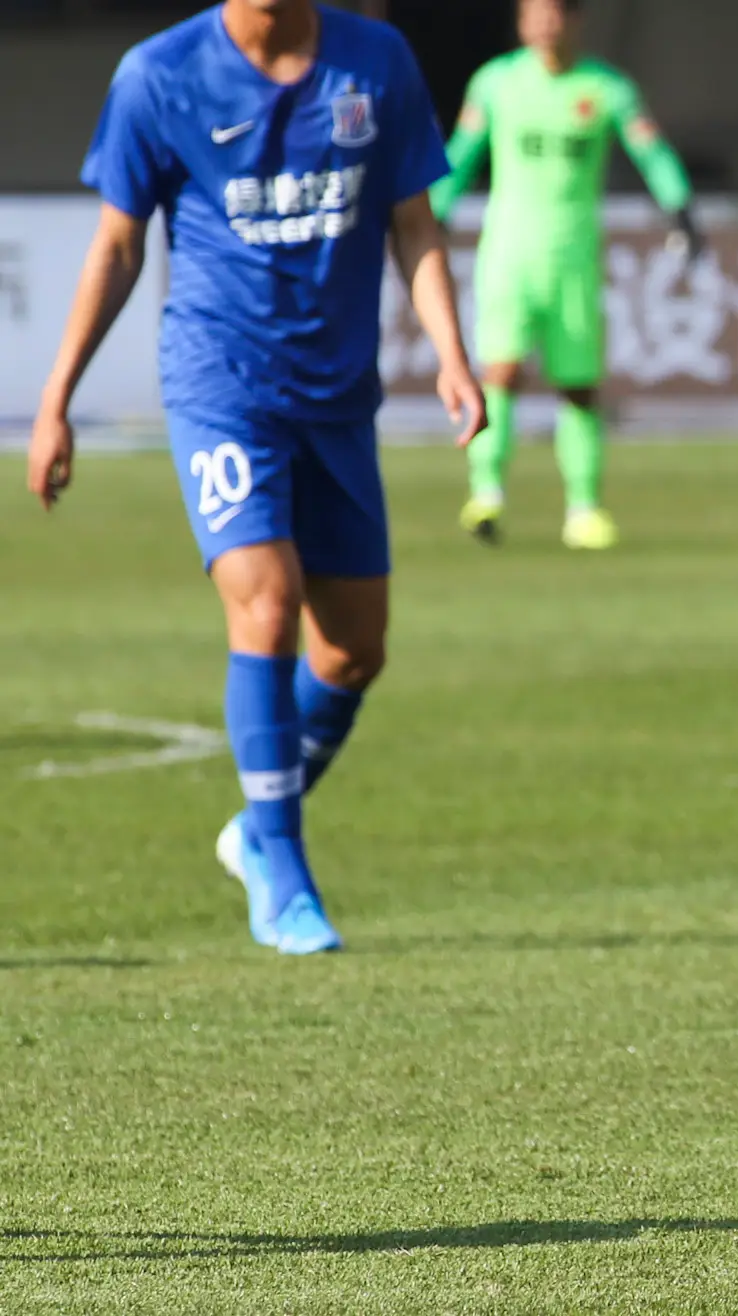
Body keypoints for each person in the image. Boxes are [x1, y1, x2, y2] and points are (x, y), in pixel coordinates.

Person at [28, 0, 484, 955]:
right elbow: (117, 244)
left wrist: (450, 351)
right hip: (220, 384)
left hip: (337, 396)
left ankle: (254, 824)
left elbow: (413, 221)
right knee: (266, 604)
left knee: (355, 648)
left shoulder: (376, 62)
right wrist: (56, 396)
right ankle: (280, 859)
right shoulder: (159, 75)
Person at [430, 0, 703, 551]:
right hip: (508, 254)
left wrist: (679, 205)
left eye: (556, 12)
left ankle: (584, 508)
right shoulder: (497, 83)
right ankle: (487, 494)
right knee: (499, 374)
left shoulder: (606, 89)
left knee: (578, 388)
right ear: (522, 21)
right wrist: (431, 209)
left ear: (575, 19)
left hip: (575, 261)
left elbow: (650, 151)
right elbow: (462, 154)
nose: (546, 23)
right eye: (536, 12)